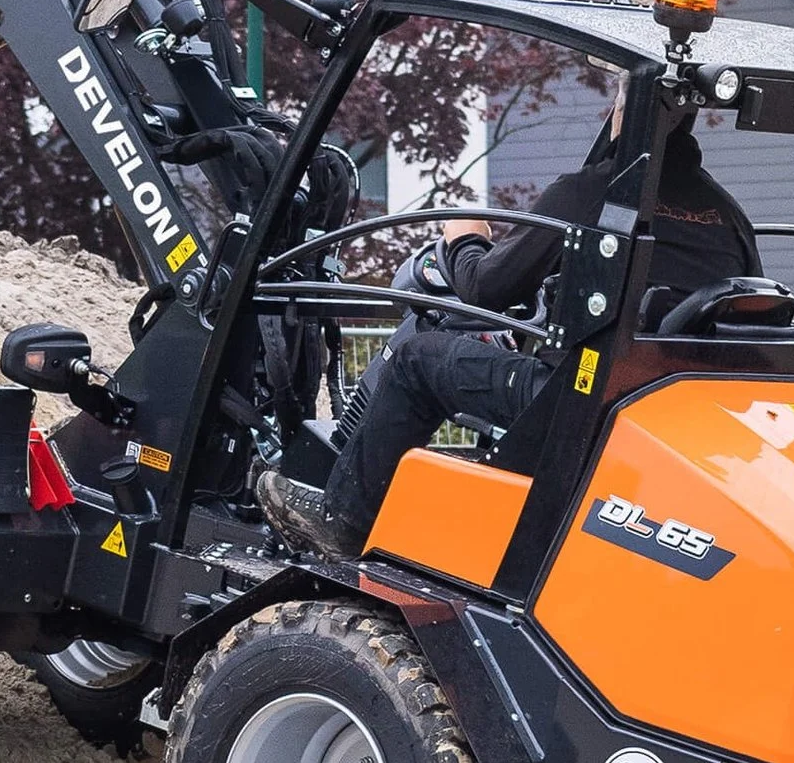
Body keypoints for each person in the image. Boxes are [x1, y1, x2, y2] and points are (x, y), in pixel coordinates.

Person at [256, 109, 761, 557]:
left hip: (574, 405)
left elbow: (485, 288)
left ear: (632, 111)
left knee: (417, 359)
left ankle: (342, 519)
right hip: (676, 408)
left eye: (621, 96)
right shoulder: (728, 214)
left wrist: (466, 238)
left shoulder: (593, 193)